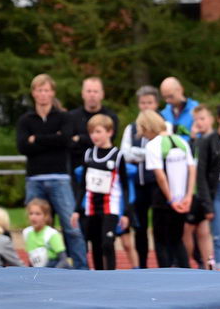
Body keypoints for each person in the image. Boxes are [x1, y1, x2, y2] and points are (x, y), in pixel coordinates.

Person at [15, 73, 88, 269]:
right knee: (36, 226)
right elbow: (22, 146)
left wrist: (36, 139)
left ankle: (81, 268)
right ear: (33, 93)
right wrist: (52, 138)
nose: (43, 94)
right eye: (39, 90)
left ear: (52, 93)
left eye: (46, 90)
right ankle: (40, 267)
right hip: (34, 180)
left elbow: (65, 140)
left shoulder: (64, 117)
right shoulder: (25, 120)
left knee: (71, 226)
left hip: (60, 178)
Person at [70, 114, 132, 270]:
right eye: (91, 132)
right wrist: (77, 210)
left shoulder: (117, 156)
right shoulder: (88, 154)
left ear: (109, 132)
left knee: (107, 243)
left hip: (110, 207)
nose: (94, 136)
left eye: (98, 131)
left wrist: (126, 213)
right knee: (95, 244)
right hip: (91, 207)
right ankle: (98, 275)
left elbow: (125, 186)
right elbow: (83, 185)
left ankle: (111, 274)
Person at [120, 84, 169, 268]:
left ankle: (164, 265)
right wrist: (147, 153)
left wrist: (139, 154)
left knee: (159, 226)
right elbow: (125, 153)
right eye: (142, 103)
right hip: (137, 185)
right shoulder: (131, 128)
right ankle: (141, 265)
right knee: (139, 227)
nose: (146, 106)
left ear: (156, 104)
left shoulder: (165, 126)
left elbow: (164, 152)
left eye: (149, 102)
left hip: (157, 183)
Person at [139, 109, 195, 268]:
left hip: (164, 198)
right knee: (177, 240)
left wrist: (170, 199)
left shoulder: (152, 145)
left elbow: (160, 176)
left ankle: (164, 274)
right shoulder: (180, 140)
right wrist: (188, 196)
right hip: (181, 198)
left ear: (147, 127)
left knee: (161, 241)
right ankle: (186, 271)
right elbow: (192, 169)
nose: (142, 134)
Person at [67, 77, 119, 178]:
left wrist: (80, 138)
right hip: (76, 170)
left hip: (104, 171)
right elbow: (69, 143)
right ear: (82, 94)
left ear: (102, 94)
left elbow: (108, 141)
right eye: (89, 91)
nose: (92, 95)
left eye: (95, 91)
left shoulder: (110, 117)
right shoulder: (71, 117)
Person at [184, 104, 215, 269]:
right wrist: (192, 139)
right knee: (202, 231)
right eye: (196, 120)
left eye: (202, 119)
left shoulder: (214, 140)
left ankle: (187, 263)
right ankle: (205, 264)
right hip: (196, 192)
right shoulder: (196, 142)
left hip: (206, 192)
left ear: (211, 119)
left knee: (189, 229)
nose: (199, 123)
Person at [205, 104, 220, 270]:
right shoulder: (209, 141)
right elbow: (201, 174)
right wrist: (207, 203)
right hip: (217, 191)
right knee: (219, 235)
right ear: (219, 118)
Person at [23, 198, 70, 268]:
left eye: (38, 214)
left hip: (54, 268)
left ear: (46, 216)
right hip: (38, 270)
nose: (33, 217)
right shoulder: (27, 233)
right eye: (31, 213)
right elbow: (31, 260)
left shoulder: (51, 234)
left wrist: (49, 273)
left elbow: (64, 261)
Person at [160, 77, 199, 141]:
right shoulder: (163, 114)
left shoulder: (196, 110)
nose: (167, 100)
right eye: (164, 97)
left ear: (180, 90)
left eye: (170, 96)